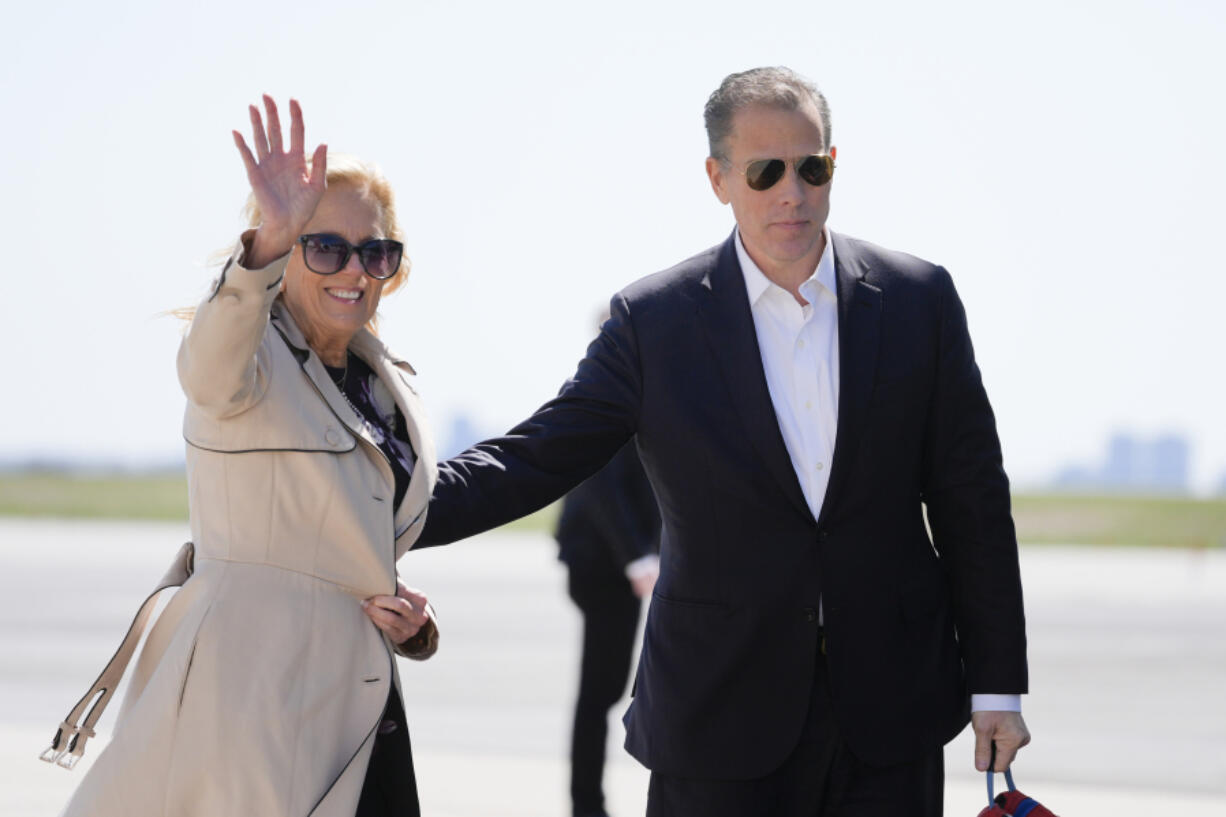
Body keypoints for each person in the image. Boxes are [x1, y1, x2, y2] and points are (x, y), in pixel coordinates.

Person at [416, 66, 1030, 816]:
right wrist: (390, 505)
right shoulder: (655, 322)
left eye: (812, 167)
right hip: (718, 719)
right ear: (718, 178)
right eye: (765, 170)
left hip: (890, 717)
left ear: (834, 164)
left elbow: (973, 500)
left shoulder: (918, 300)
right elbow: (538, 453)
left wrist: (996, 684)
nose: (792, 191)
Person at [42, 97, 440, 817]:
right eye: (325, 247)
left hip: (359, 708)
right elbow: (208, 365)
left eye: (374, 250)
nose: (354, 269)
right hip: (253, 707)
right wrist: (265, 244)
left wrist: (408, 619)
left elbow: (352, 537)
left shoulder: (383, 381)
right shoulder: (247, 361)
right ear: (287, 253)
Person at [555, 440, 661, 817]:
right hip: (605, 562)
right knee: (599, 694)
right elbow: (601, 481)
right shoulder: (633, 386)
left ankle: (587, 803)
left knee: (602, 692)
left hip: (608, 558)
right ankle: (587, 806)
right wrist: (634, 556)